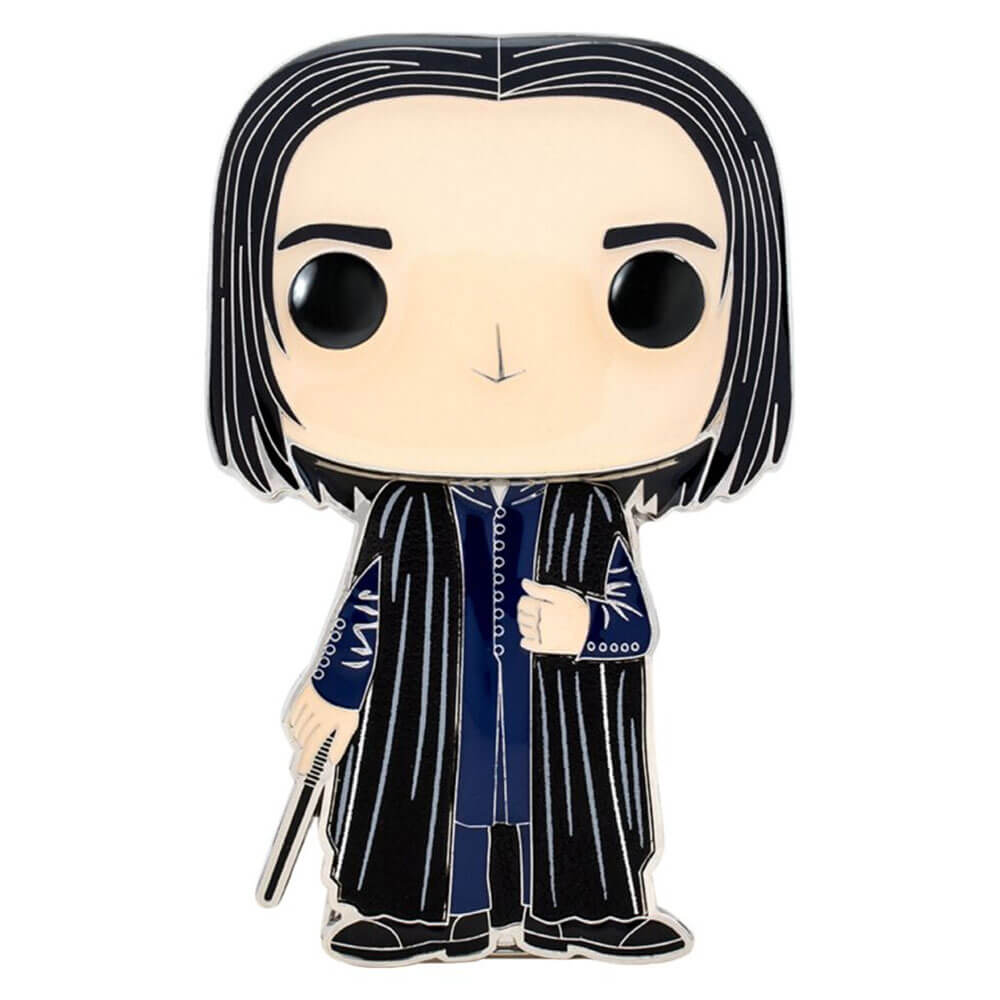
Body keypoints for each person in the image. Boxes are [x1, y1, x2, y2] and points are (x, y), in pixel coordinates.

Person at [209, 33, 791, 965]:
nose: (497, 352)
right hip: (431, 716)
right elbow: (369, 606)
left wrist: (585, 627)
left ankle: (583, 908)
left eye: (650, 291)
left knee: (560, 803)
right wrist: (334, 688)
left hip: (558, 731)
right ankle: (413, 908)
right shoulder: (406, 514)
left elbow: (634, 624)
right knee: (430, 795)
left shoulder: (590, 513)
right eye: (344, 293)